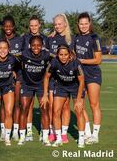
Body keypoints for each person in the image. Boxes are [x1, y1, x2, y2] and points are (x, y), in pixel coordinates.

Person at [42, 45, 86, 148]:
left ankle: (81, 138)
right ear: (57, 55)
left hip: (76, 88)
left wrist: (79, 99)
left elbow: (82, 81)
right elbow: (46, 77)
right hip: (61, 87)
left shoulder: (76, 63)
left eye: (65, 54)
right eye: (61, 55)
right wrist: (45, 94)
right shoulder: (53, 62)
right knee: (56, 111)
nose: (63, 57)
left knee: (79, 111)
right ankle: (58, 139)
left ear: (69, 54)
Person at [17, 35, 54, 146]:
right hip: (27, 85)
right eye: (33, 45)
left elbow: (60, 56)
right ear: (30, 46)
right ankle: (22, 137)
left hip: (41, 86)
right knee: (24, 109)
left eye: (38, 45)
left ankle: (46, 137)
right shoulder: (24, 54)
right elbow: (10, 54)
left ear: (42, 46)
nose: (36, 47)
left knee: (44, 110)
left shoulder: (47, 55)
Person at [74, 12, 102, 144]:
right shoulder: (76, 38)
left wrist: (83, 61)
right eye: (81, 24)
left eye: (86, 23)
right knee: (80, 104)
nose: (83, 26)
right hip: (80, 75)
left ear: (89, 24)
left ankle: (95, 135)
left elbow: (98, 59)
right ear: (78, 25)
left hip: (93, 74)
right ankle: (88, 132)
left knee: (94, 104)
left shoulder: (94, 37)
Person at [46, 14, 74, 143]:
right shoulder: (50, 38)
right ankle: (52, 131)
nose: (57, 26)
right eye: (55, 24)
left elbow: (73, 58)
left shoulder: (70, 39)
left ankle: (63, 134)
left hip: (66, 78)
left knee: (66, 106)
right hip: (53, 77)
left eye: (59, 23)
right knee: (52, 106)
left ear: (65, 24)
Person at [21, 15, 48, 142]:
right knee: (28, 106)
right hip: (27, 79)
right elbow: (18, 55)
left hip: (41, 81)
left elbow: (51, 56)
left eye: (35, 25)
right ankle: (29, 132)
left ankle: (44, 132)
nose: (33, 28)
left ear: (39, 25)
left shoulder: (46, 39)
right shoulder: (24, 38)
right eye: (31, 25)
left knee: (44, 107)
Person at [0, 15, 24, 142]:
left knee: (17, 104)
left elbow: (22, 57)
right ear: (3, 27)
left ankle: (15, 131)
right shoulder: (0, 39)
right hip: (4, 76)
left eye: (10, 26)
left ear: (13, 26)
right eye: (6, 26)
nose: (8, 28)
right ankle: (4, 130)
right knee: (3, 105)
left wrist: (14, 70)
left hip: (18, 75)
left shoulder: (20, 40)